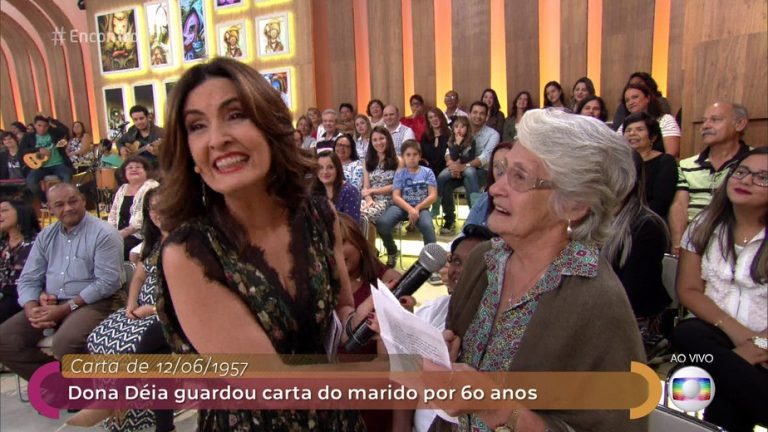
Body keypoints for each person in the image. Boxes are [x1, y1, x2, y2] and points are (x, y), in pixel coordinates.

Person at [156, 57, 367, 430]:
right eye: (197, 126)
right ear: (189, 153)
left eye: (235, 115)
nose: (218, 139)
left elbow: (341, 311)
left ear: (271, 125)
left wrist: (371, 321)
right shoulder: (189, 253)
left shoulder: (319, 215)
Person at [440, 109, 646, 431]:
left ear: (573, 205)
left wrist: (502, 410)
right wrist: (446, 359)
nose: (495, 189)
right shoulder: (483, 260)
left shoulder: (599, 302)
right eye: (502, 171)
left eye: (520, 178)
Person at [672, 147, 767, 432]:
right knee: (687, 333)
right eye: (741, 172)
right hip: (716, 337)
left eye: (762, 177)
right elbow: (688, 289)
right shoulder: (704, 225)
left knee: (723, 391)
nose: (746, 180)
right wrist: (744, 345)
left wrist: (759, 347)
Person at [0, 183, 123, 381]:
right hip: (52, 302)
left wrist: (65, 309)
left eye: (73, 201)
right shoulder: (46, 236)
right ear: (50, 209)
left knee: (65, 343)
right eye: (59, 205)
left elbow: (108, 282)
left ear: (83, 200)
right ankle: (59, 384)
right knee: (5, 341)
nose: (67, 208)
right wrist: (31, 308)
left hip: (95, 302)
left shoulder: (104, 233)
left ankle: (83, 389)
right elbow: (29, 278)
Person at [67, 188, 167, 430]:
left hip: (167, 312)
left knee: (136, 346)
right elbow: (139, 276)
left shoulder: (186, 243)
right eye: (152, 209)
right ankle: (119, 409)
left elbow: (186, 295)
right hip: (140, 309)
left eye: (163, 207)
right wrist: (131, 303)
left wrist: (151, 309)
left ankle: (119, 403)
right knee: (99, 337)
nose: (157, 214)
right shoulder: (154, 242)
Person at [407, 224, 495, 432]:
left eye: (474, 264)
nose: (461, 271)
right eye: (456, 261)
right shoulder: (431, 311)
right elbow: (403, 377)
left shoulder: (503, 325)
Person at [602, 151, 670, 353]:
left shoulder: (647, 226)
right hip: (595, 309)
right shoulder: (585, 218)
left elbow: (631, 295)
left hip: (632, 321)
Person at [669, 102, 751, 255]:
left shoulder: (755, 163)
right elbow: (680, 205)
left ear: (739, 124)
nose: (705, 126)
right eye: (704, 121)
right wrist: (678, 244)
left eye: (715, 120)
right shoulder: (687, 165)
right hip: (694, 242)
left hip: (739, 245)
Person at [376, 140, 437, 267]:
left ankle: (430, 262)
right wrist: (410, 209)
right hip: (402, 206)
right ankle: (392, 251)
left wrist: (417, 208)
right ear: (403, 157)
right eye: (408, 155)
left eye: (415, 154)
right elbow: (396, 196)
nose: (411, 158)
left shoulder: (427, 172)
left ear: (420, 156)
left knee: (428, 227)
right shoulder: (400, 173)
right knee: (382, 223)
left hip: (421, 208)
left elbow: (433, 196)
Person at [622, 112, 677, 220]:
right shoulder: (619, 162)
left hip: (648, 219)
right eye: (628, 130)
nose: (632, 133)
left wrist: (628, 216)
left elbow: (661, 203)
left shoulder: (665, 161)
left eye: (639, 129)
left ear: (653, 137)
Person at [107, 155, 160, 259]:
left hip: (142, 235)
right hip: (121, 234)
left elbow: (140, 221)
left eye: (138, 167)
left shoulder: (151, 186)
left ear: (146, 171)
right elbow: (113, 214)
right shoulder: (123, 188)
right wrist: (110, 233)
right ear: (124, 172)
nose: (134, 169)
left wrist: (120, 235)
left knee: (115, 249)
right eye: (130, 167)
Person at [0, 201, 40, 323]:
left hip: (23, 297)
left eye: (4, 210)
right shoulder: (2, 244)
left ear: (21, 212)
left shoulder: (37, 243)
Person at [616, 83, 681, 157]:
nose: (631, 102)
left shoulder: (665, 120)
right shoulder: (624, 125)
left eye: (635, 97)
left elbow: (671, 155)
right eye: (627, 100)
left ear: (648, 98)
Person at [19, 115, 73, 203]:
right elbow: (22, 151)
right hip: (40, 167)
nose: (42, 128)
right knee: (31, 182)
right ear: (34, 125)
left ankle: (62, 200)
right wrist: (38, 149)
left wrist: (51, 120)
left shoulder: (54, 134)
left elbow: (65, 130)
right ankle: (47, 201)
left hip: (57, 164)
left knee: (67, 176)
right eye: (39, 125)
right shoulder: (28, 137)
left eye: (45, 126)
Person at [463, 141, 513, 230]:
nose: (500, 171)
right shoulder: (484, 200)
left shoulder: (522, 201)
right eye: (496, 165)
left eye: (506, 164)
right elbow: (466, 231)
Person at [361, 126, 400, 235]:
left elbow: (396, 186)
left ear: (388, 139)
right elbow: (366, 187)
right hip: (370, 199)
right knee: (350, 213)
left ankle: (366, 244)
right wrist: (369, 200)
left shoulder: (398, 161)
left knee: (363, 216)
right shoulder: (367, 161)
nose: (378, 143)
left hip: (387, 201)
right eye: (375, 140)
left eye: (381, 138)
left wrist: (373, 191)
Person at [313, 151, 361, 224]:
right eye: (320, 168)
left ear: (337, 169)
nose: (325, 172)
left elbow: (351, 226)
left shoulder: (349, 191)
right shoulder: (313, 191)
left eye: (330, 167)